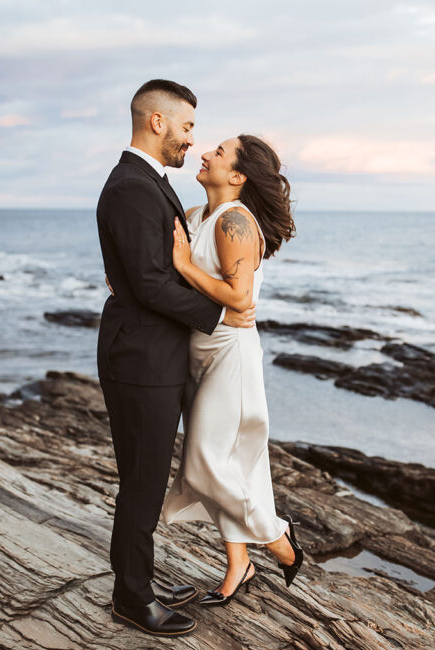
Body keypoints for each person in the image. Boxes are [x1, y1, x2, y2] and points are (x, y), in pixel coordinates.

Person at [95, 79, 255, 637]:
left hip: (155, 355)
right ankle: (131, 599)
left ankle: (138, 582)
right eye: (187, 127)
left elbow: (147, 271)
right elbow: (148, 283)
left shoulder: (150, 183)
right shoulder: (131, 187)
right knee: (141, 483)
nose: (191, 139)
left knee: (145, 478)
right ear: (157, 122)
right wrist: (221, 315)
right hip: (140, 360)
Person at [160, 134, 302, 607]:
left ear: (238, 175)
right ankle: (239, 564)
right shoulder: (197, 216)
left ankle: (279, 539)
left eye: (218, 153)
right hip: (197, 352)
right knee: (234, 464)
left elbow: (240, 298)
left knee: (205, 463)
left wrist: (184, 265)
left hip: (229, 356)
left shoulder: (234, 220)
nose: (205, 153)